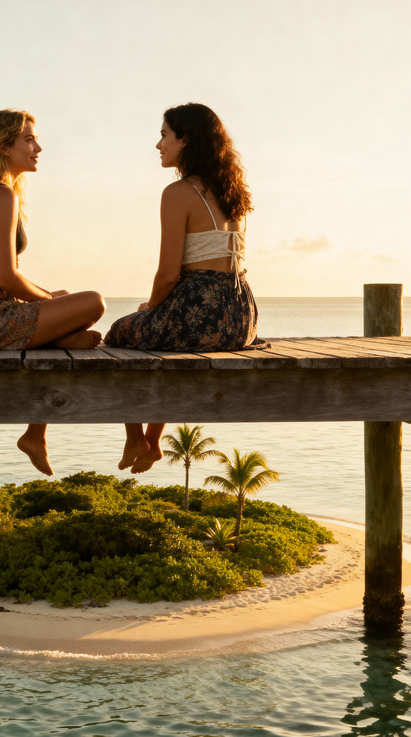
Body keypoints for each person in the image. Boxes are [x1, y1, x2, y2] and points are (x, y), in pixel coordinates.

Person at [104, 102, 269, 474]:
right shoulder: (233, 194)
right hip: (240, 317)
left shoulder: (178, 193)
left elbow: (167, 275)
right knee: (155, 336)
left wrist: (148, 307)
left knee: (119, 334)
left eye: (164, 135)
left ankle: (139, 437)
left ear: (186, 140)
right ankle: (152, 439)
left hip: (202, 313)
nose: (158, 145)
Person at [0, 109, 105, 475]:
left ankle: (36, 432)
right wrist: (51, 302)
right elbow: (5, 277)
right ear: (3, 147)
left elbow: (0, 276)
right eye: (28, 139)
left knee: (65, 297)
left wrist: (53, 297)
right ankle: (36, 429)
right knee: (93, 302)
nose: (38, 147)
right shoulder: (0, 195)